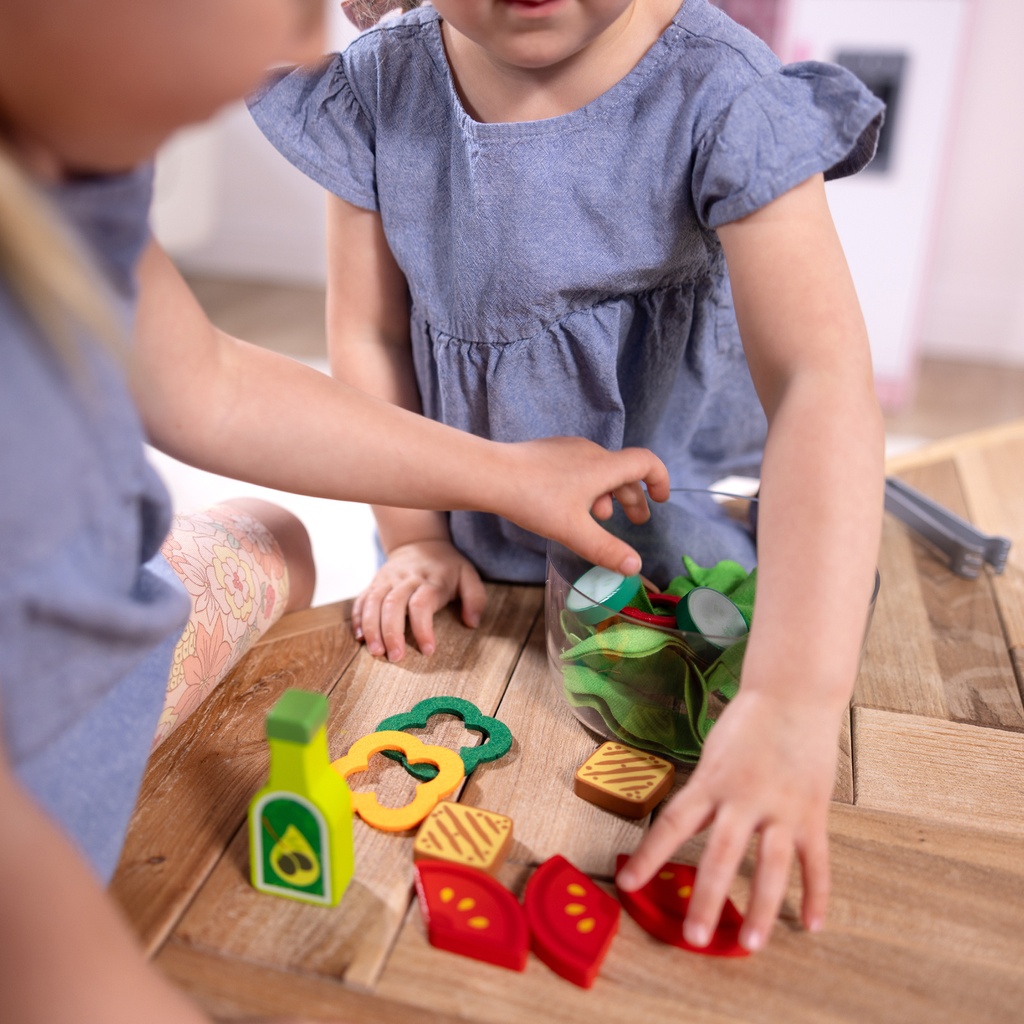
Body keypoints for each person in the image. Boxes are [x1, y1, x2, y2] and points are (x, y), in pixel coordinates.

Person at [0, 2, 672, 1020]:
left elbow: (212, 383)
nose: (311, 50)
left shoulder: (66, 161)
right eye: (287, 3)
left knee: (276, 539)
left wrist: (501, 475)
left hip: (95, 662)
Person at [248, 0, 886, 952]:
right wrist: (418, 535)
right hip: (469, 539)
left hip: (675, 549)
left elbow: (819, 385)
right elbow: (372, 336)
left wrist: (792, 700)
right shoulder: (383, 86)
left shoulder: (723, 92)